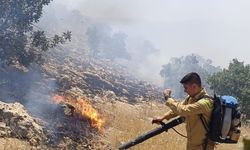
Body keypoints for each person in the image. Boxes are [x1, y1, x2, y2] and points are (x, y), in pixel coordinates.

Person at [152, 72, 215, 150]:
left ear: (194, 86)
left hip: (203, 146)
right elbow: (178, 108)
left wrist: (168, 98)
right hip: (193, 144)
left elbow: (182, 110)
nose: (184, 90)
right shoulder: (191, 98)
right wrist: (163, 117)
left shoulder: (205, 103)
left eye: (186, 88)